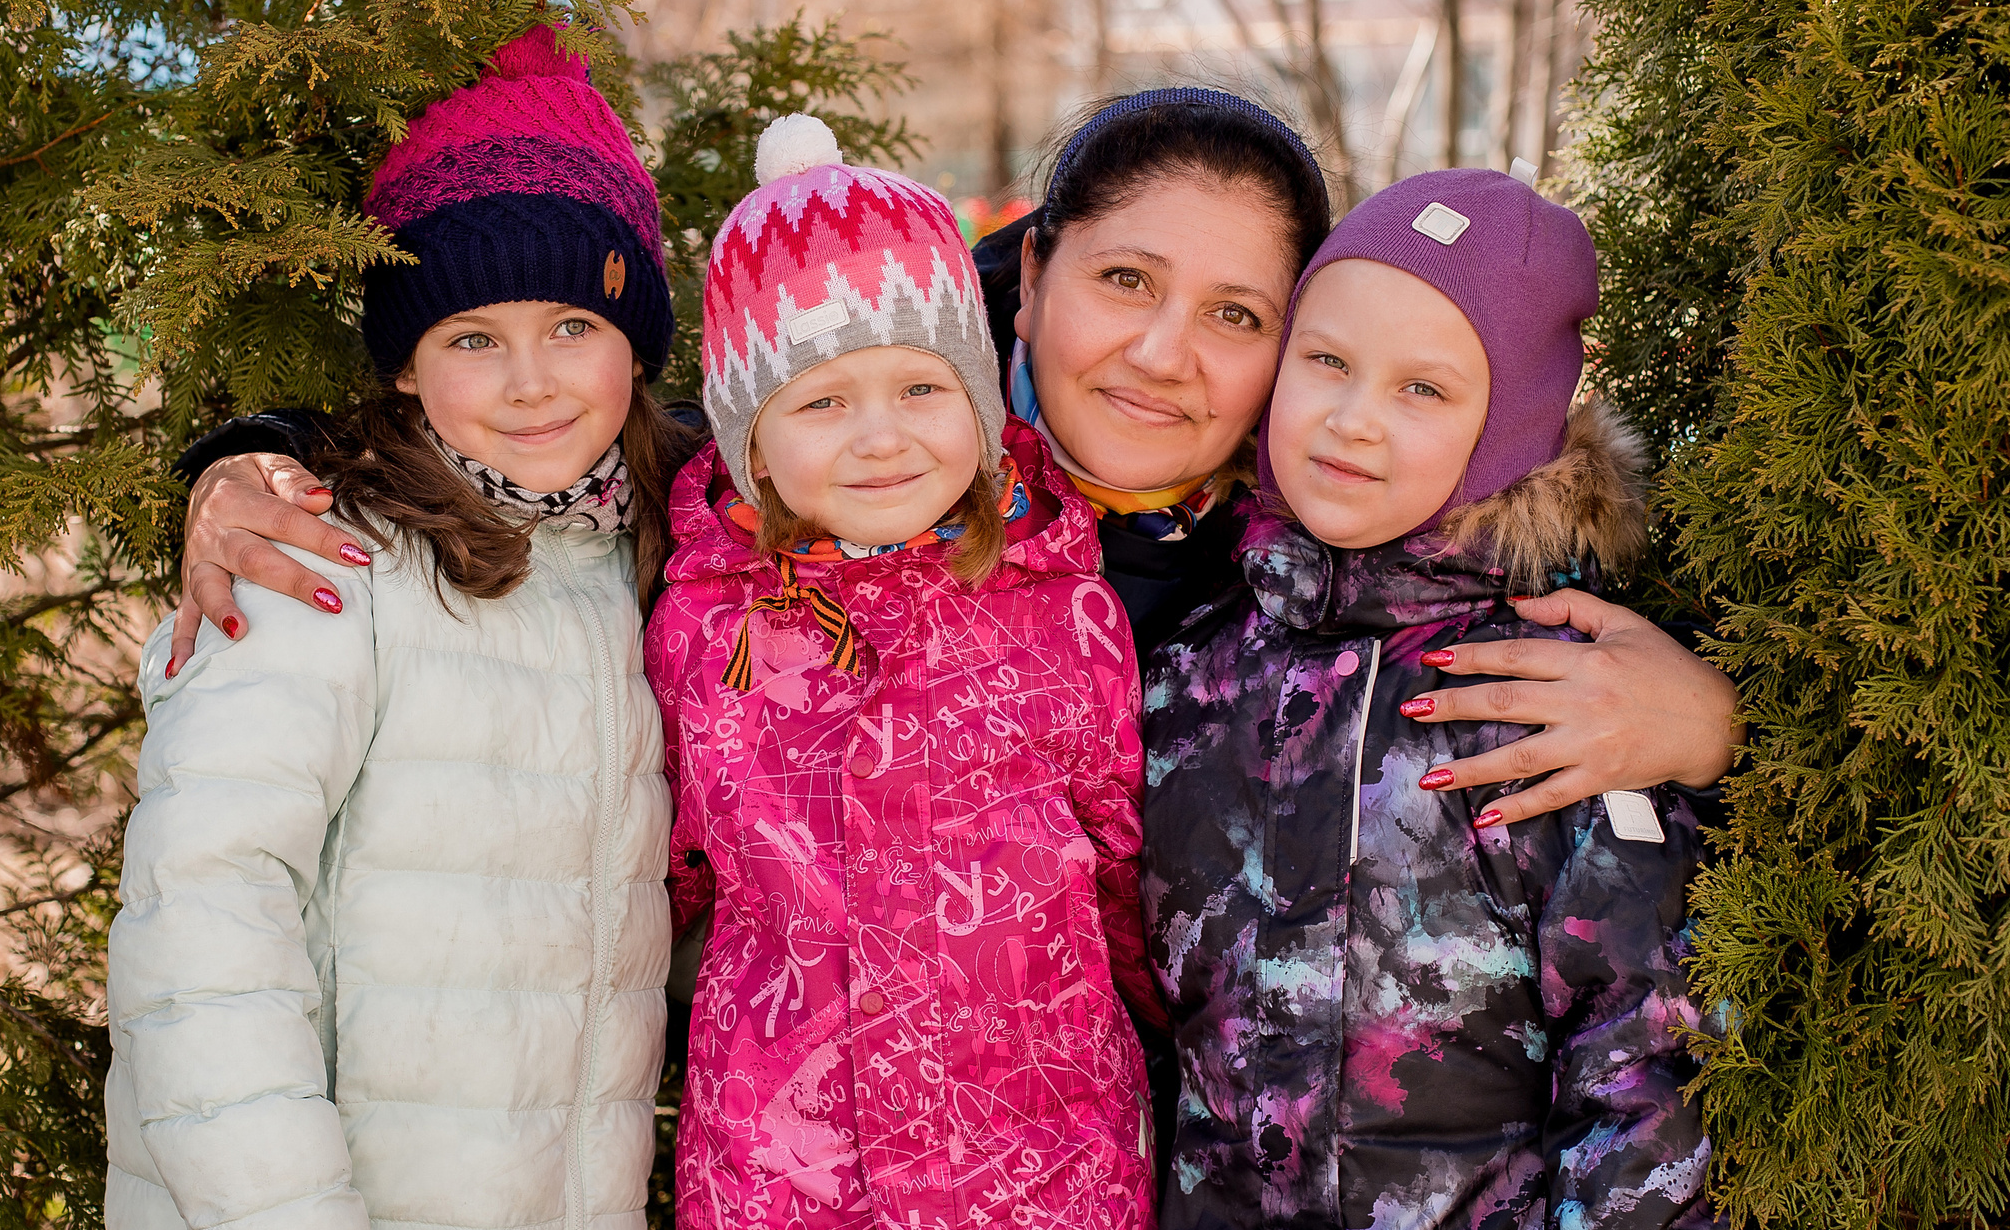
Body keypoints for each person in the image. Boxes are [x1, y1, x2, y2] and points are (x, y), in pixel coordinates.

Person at [164, 88, 1740, 842]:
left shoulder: (1352, 528)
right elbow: (551, 436)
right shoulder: (871, 468)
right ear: (1031, 270)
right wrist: (253, 464)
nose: (1163, 355)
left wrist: (1704, 723)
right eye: (1124, 282)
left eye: (1240, 315)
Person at [103, 25, 694, 1230]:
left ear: (639, 344)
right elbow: (206, 905)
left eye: (576, 328)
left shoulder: (660, 555)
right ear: (407, 363)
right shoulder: (318, 565)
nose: (533, 379)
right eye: (471, 337)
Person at [1139, 170, 1740, 1230]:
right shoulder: (1196, 667)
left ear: (1512, 426)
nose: (1354, 421)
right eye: (1328, 361)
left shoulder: (1559, 693)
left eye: (1425, 388)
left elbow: (1634, 1048)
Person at [647, 118, 1158, 1230]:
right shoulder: (705, 631)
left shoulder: (1060, 604)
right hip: (793, 1212)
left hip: (1051, 1192)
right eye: (821, 402)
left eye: (922, 388)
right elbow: (668, 878)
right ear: (752, 438)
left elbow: (1122, 864)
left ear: (985, 404)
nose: (879, 437)